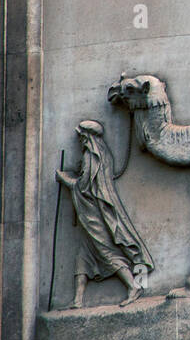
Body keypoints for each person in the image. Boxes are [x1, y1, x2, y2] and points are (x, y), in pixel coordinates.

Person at [56, 119, 155, 307]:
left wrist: (65, 180)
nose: (80, 140)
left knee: (107, 252)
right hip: (90, 214)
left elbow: (84, 186)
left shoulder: (91, 156)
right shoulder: (101, 154)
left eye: (81, 137)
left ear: (87, 137)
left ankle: (133, 285)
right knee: (83, 255)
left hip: (94, 214)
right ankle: (78, 299)